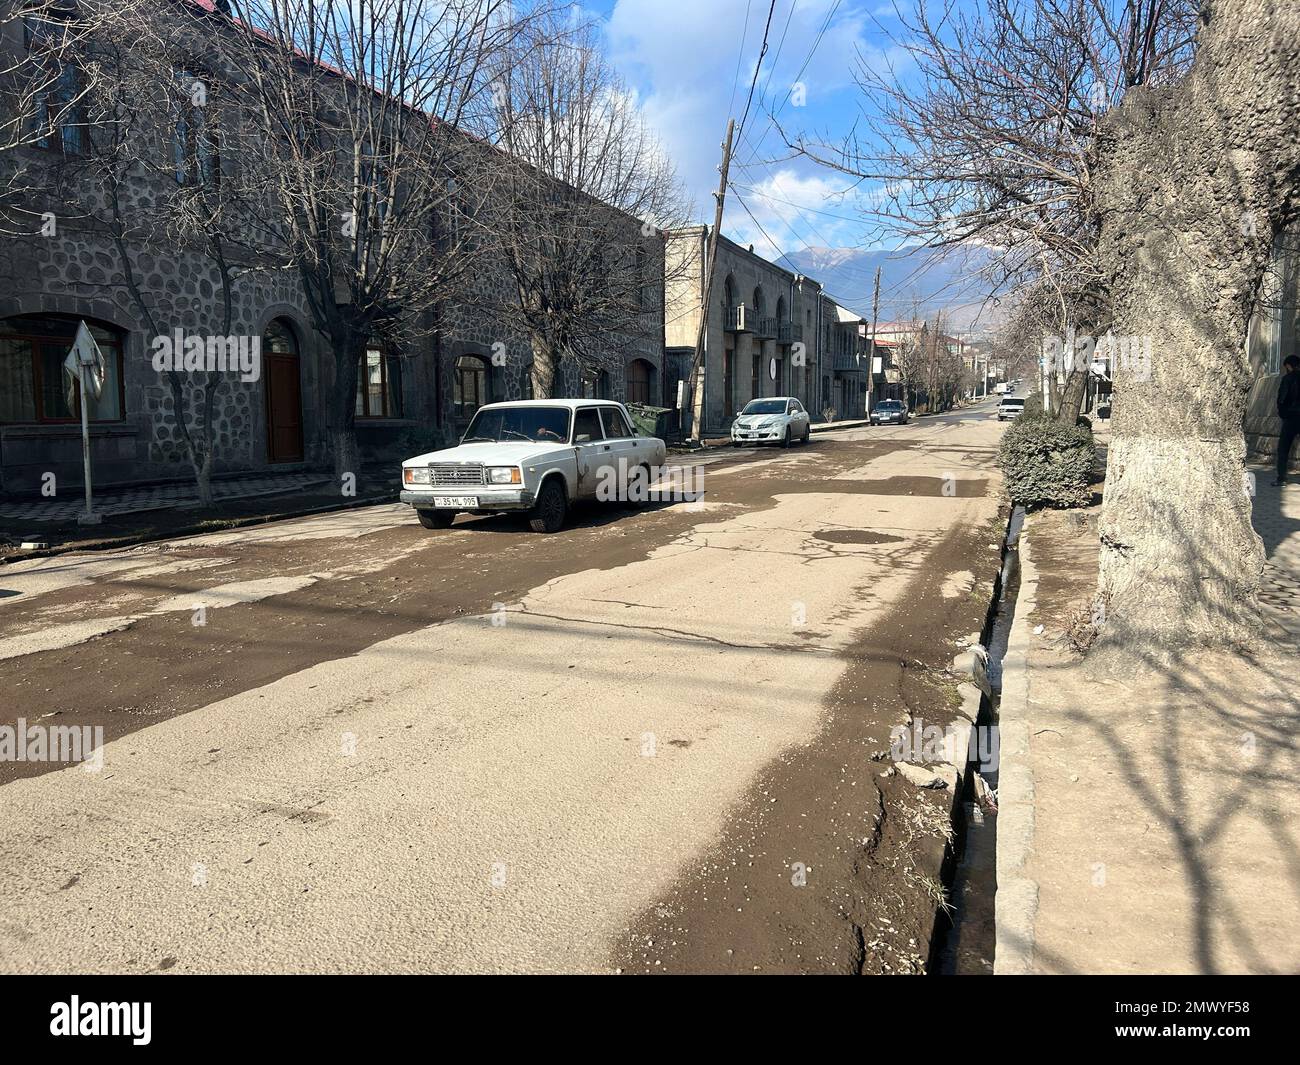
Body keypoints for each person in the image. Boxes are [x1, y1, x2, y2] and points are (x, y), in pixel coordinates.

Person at [1277, 354, 1300, 486]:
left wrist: (1283, 414)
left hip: (1291, 418)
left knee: (1283, 449)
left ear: (1289, 366)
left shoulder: (1287, 379)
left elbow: (1282, 399)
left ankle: (1282, 478)